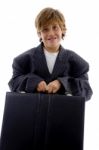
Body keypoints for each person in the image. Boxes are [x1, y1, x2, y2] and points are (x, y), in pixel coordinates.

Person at [8, 7, 93, 100]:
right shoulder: (22, 60)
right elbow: (13, 84)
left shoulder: (77, 62)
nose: (51, 33)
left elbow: (87, 91)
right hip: (32, 113)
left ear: (63, 30)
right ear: (39, 34)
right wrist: (34, 82)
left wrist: (62, 83)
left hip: (64, 112)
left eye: (55, 27)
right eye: (45, 29)